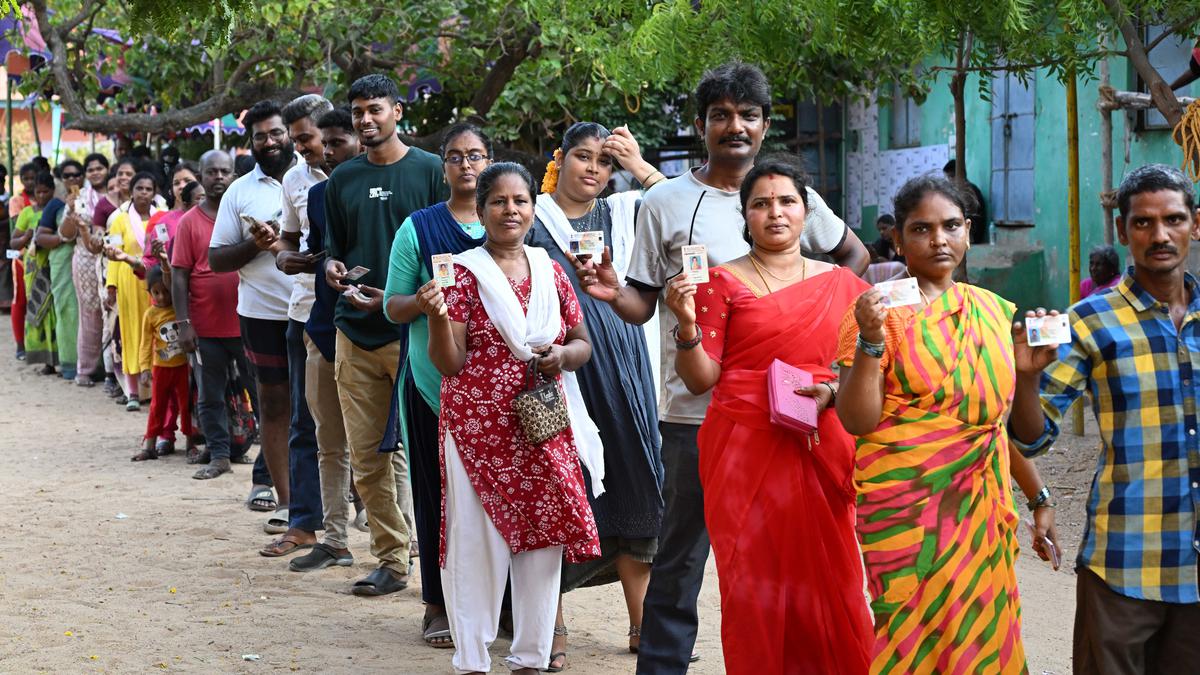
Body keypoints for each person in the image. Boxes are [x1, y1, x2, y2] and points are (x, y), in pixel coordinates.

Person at [571, 61, 868, 672]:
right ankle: (661, 665)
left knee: (796, 553)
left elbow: (850, 261)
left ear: (764, 126)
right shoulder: (666, 200)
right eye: (721, 116)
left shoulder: (794, 194)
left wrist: (822, 338)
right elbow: (640, 302)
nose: (735, 126)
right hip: (695, 410)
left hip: (798, 416)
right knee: (680, 552)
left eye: (748, 115)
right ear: (702, 125)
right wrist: (608, 291)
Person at [836, 174, 1059, 674]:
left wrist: (1028, 379)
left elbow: (1006, 430)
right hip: (904, 513)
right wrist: (871, 340)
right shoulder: (876, 312)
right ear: (898, 237)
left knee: (985, 637)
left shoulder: (994, 314)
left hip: (981, 511)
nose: (939, 239)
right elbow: (857, 420)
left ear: (968, 230)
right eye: (921, 228)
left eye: (951, 225)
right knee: (908, 640)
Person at [663, 159, 874, 674]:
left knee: (831, 574)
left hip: (819, 445)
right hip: (743, 449)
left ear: (806, 211)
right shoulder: (718, 281)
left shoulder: (844, 285)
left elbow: (858, 372)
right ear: (745, 215)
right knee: (752, 583)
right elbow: (700, 380)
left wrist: (827, 389)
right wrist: (686, 327)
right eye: (761, 203)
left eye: (786, 201)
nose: (774, 213)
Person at [1009, 164, 1200, 673]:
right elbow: (1030, 438)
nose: (1159, 235)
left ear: (1195, 224)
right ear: (1122, 231)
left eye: (1174, 220)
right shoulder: (1087, 322)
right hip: (1123, 565)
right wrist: (1025, 377)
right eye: (1143, 223)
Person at [418, 162, 600, 675]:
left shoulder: (550, 269)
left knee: (542, 539)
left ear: (533, 209)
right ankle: (473, 659)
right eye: (498, 202)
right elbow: (449, 362)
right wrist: (435, 316)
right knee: (476, 543)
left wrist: (561, 358)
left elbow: (583, 344)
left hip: (541, 425)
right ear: (480, 213)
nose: (510, 210)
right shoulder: (462, 273)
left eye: (520, 201)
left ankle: (530, 657)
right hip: (478, 429)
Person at [525, 121, 666, 667]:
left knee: (637, 487)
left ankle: (641, 623)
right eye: (583, 157)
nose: (594, 170)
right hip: (560, 375)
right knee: (564, 492)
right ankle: (550, 628)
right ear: (560, 158)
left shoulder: (629, 211)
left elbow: (684, 205)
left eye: (604, 162)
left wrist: (636, 163)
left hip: (629, 373)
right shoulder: (532, 217)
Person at [323, 74, 442, 596]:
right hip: (355, 335)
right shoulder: (340, 180)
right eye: (357, 112)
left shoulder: (431, 170)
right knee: (368, 456)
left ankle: (444, 566)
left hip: (417, 335)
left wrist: (409, 305)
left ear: (397, 110)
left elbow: (450, 247)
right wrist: (332, 268)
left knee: (431, 455)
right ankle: (392, 560)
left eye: (375, 109)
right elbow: (334, 247)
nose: (365, 120)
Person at [383, 121, 491, 643]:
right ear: (443, 166)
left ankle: (505, 605)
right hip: (432, 386)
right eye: (455, 156)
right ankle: (437, 605)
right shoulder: (419, 228)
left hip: (499, 392)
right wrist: (423, 303)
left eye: (475, 156)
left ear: (489, 162)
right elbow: (392, 306)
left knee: (498, 495)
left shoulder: (512, 221)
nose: (466, 165)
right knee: (435, 493)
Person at [248, 93, 336, 571]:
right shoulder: (296, 179)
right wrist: (283, 254)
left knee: (380, 431)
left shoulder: (357, 171)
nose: (300, 148)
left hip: (363, 315)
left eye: (306, 138)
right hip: (303, 311)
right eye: (295, 139)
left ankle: (390, 531)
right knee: (305, 423)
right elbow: (290, 238)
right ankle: (304, 523)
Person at [209, 100, 300, 547]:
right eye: (260, 136)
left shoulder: (317, 177)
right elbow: (216, 259)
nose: (269, 142)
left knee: (327, 412)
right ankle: (288, 505)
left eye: (276, 133)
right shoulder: (239, 191)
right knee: (275, 407)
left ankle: (345, 504)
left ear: (291, 133)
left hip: (313, 311)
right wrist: (256, 244)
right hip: (262, 315)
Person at [173, 150, 266, 484]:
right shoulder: (188, 222)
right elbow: (179, 275)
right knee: (209, 395)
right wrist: (184, 324)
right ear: (200, 174)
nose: (218, 177)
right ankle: (220, 455)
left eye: (224, 171)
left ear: (234, 175)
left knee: (262, 394)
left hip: (248, 323)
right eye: (211, 172)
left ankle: (268, 460)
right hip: (206, 328)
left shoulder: (244, 217)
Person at [130, 264, 196, 460]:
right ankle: (150, 445)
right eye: (155, 292)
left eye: (165, 292)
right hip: (161, 368)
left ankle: (191, 444)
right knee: (157, 406)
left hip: (182, 368)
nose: (161, 297)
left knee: (186, 406)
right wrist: (144, 368)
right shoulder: (150, 314)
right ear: (149, 292)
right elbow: (145, 344)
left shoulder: (179, 310)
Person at [35, 160, 86, 381]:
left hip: (91, 262)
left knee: (92, 313)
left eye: (77, 174)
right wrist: (63, 239)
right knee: (68, 310)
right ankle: (71, 364)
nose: (72, 179)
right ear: (61, 179)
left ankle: (97, 367)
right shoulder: (55, 205)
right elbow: (40, 237)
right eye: (67, 176)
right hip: (63, 263)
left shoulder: (96, 201)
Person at [70, 153, 110, 386]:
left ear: (107, 169)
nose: (95, 172)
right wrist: (71, 216)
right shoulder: (80, 197)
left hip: (112, 260)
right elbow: (65, 234)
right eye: (91, 169)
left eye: (99, 168)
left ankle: (110, 370)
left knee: (112, 313)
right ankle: (85, 368)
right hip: (85, 261)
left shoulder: (118, 192)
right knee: (90, 314)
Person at [11, 173, 57, 367]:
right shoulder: (27, 213)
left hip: (52, 263)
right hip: (32, 266)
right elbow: (14, 242)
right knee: (36, 308)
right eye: (38, 192)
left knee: (53, 310)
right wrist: (26, 238)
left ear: (52, 191)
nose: (41, 196)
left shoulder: (57, 210)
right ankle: (41, 357)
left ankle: (55, 357)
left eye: (46, 192)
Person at [142, 161, 199, 271]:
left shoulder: (213, 215)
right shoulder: (163, 223)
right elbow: (151, 261)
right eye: (176, 183)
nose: (182, 186)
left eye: (187, 181)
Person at [943, 159, 986, 244]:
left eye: (951, 177)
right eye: (947, 177)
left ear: (959, 175)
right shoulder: (961, 190)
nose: (949, 180)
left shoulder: (967, 190)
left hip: (973, 235)